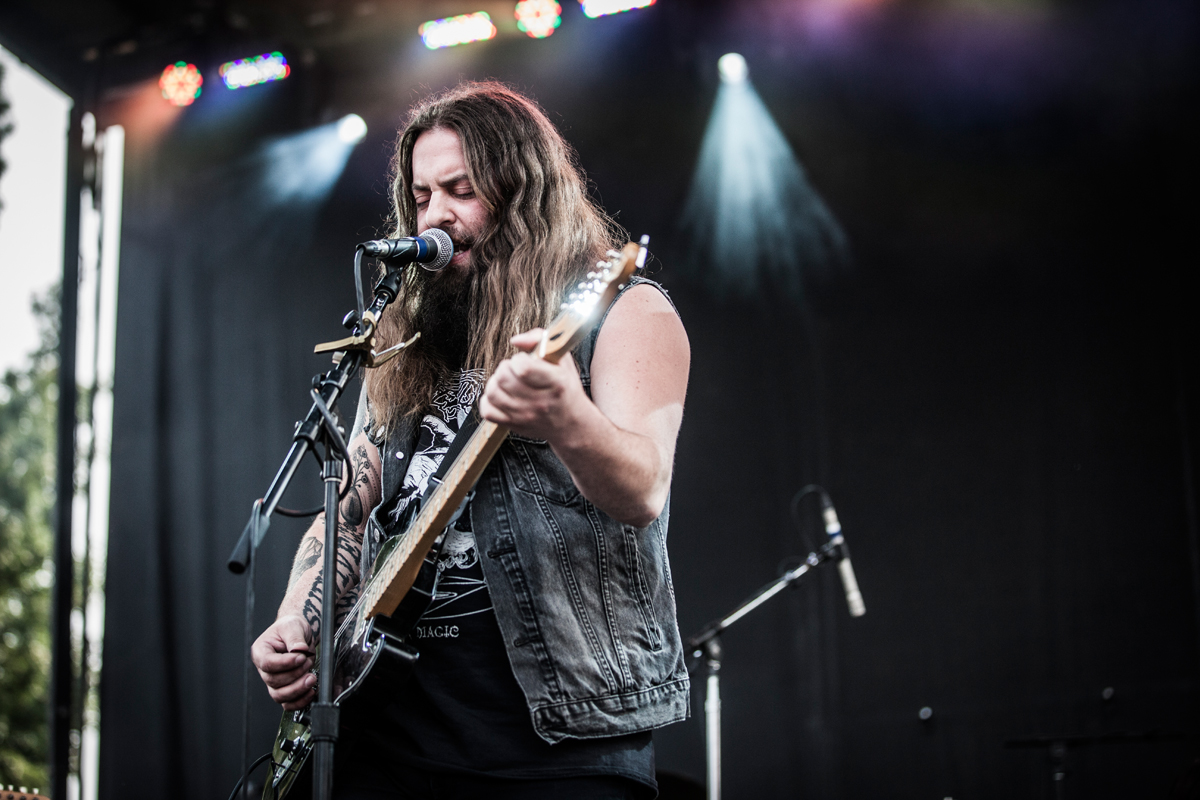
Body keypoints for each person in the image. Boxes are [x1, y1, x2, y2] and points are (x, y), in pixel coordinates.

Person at [251, 81, 691, 799]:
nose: (437, 216)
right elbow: (352, 514)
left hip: (557, 742)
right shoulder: (403, 340)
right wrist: (297, 619)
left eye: (460, 189)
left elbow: (643, 489)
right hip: (386, 726)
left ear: (524, 192)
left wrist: (564, 416)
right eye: (421, 196)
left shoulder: (624, 312)